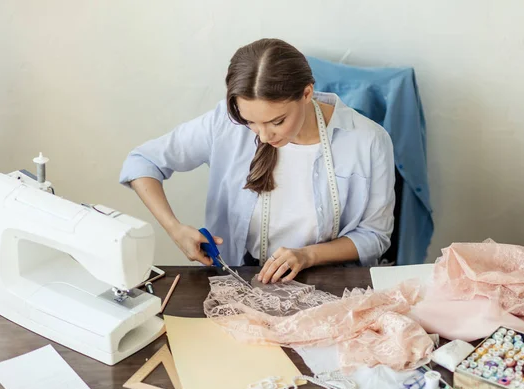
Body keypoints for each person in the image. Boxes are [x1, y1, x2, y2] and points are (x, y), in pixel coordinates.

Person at [119, 38, 395, 284]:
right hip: (240, 275)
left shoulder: (368, 140)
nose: (263, 137)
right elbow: (143, 162)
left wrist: (307, 256)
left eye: (277, 121)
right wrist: (174, 229)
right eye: (250, 121)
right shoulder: (224, 124)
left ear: (307, 93)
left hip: (329, 279)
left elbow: (374, 236)